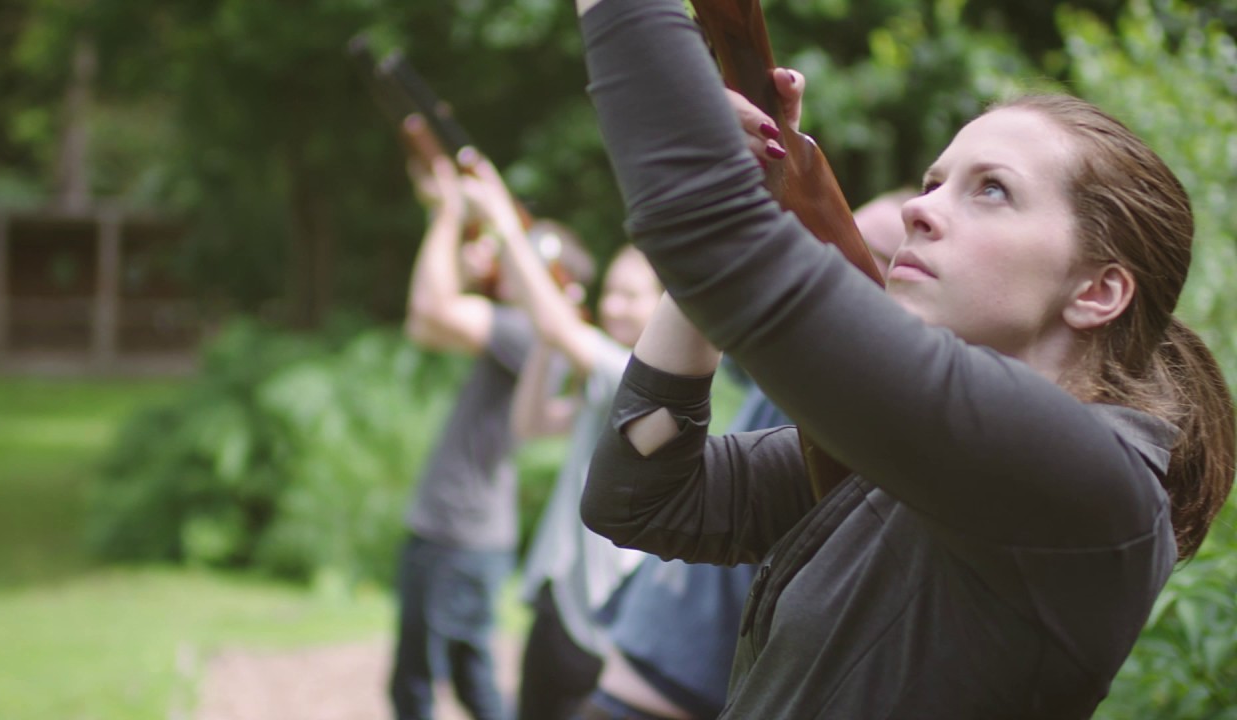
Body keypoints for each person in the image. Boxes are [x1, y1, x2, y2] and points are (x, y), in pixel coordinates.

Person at [572, 0, 1236, 717]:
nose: (922, 210)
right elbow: (644, 497)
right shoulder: (930, 466)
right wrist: (733, 223)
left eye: (992, 189)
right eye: (933, 182)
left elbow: (715, 241)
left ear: (1098, 291)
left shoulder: (1090, 481)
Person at [577, 190, 914, 720]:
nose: (821, 256)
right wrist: (731, 204)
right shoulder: (796, 353)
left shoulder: (854, 413)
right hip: (631, 678)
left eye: (854, 248)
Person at [390, 117, 592, 720]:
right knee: (456, 679)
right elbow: (432, 314)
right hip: (457, 531)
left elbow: (427, 311)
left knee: (434, 685)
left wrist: (448, 213)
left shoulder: (526, 331)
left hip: (459, 534)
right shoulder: (524, 330)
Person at [459, 156, 663, 720]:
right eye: (612, 293)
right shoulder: (607, 377)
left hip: (597, 613)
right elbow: (531, 424)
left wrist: (503, 218)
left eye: (632, 295)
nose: (614, 305)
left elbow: (556, 325)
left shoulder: (631, 374)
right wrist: (553, 342)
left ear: (663, 306)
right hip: (560, 595)